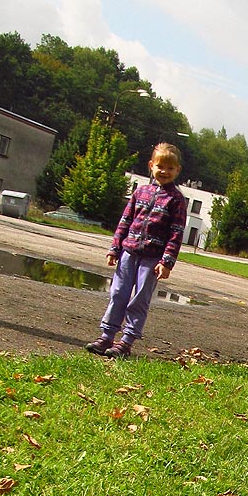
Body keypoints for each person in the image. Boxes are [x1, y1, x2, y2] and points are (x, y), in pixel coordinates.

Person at [85, 142, 187, 359]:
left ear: (177, 170)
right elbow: (125, 221)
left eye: (170, 168)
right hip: (128, 253)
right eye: (160, 166)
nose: (164, 172)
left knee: (140, 299)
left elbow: (176, 233)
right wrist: (115, 248)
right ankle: (106, 336)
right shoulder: (140, 192)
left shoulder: (176, 200)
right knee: (118, 293)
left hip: (152, 258)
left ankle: (126, 341)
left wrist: (166, 261)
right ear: (151, 166)